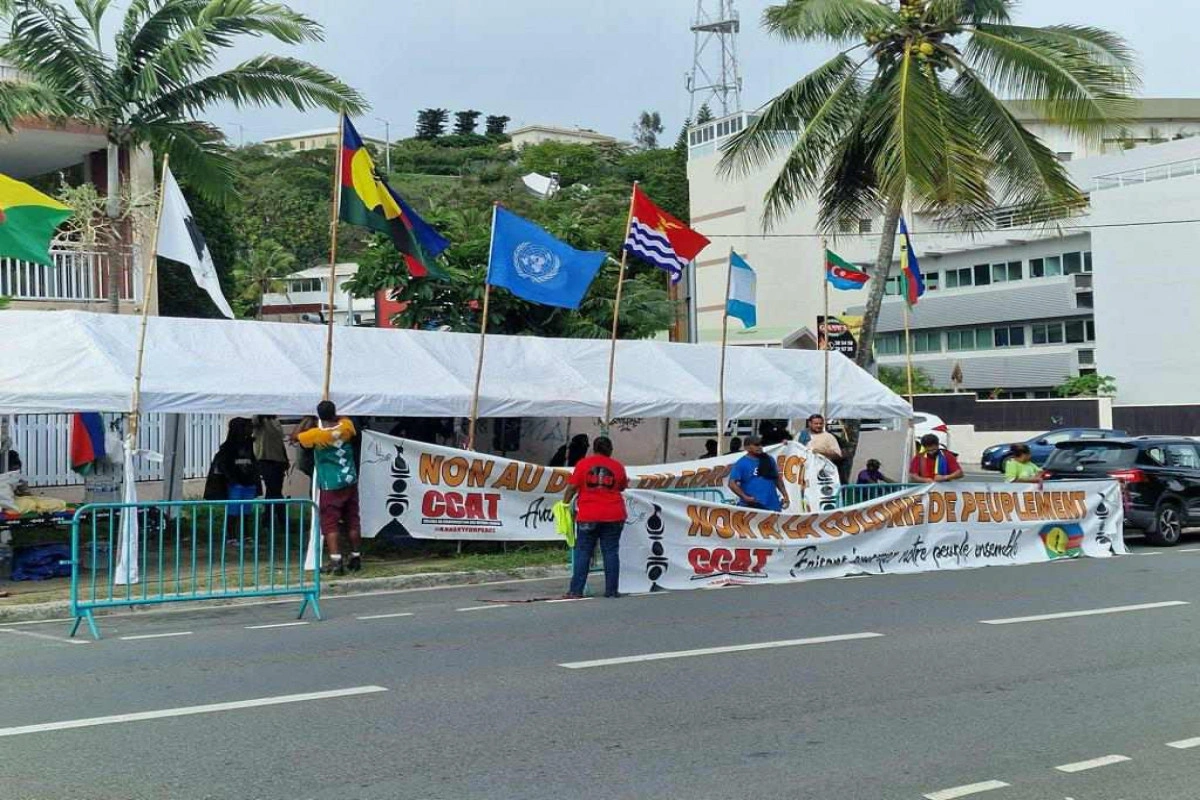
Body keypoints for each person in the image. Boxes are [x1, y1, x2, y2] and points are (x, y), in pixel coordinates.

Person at [294, 401, 362, 576]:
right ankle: (356, 557)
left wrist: (307, 420)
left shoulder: (316, 435)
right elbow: (344, 420)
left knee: (330, 524)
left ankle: (336, 560)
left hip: (330, 485)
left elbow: (295, 437)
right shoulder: (347, 427)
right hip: (349, 480)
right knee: (352, 519)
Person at [563, 436, 628, 599]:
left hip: (588, 514)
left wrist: (564, 504)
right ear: (610, 450)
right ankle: (612, 591)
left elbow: (572, 487)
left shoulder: (582, 464)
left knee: (583, 552)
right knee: (611, 552)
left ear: (593, 448)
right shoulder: (618, 466)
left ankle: (576, 591)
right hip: (614, 514)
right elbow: (622, 486)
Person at [207, 418, 260, 534]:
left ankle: (245, 533)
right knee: (233, 511)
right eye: (248, 427)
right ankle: (231, 535)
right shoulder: (228, 447)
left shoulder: (249, 444)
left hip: (248, 482)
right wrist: (233, 479)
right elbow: (224, 465)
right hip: (235, 484)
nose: (251, 430)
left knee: (246, 511)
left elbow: (252, 462)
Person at [729, 436, 789, 512]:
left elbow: (777, 479)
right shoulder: (741, 463)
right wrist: (745, 497)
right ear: (747, 447)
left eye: (761, 444)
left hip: (772, 506)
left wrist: (785, 496)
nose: (760, 447)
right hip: (751, 507)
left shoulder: (769, 459)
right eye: (756, 445)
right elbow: (732, 484)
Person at [253, 415, 289, 519]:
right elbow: (254, 423)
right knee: (274, 489)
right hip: (265, 459)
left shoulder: (276, 421)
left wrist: (285, 458)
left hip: (279, 460)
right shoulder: (260, 419)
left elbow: (280, 442)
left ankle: (270, 516)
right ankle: (277, 517)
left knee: (275, 490)